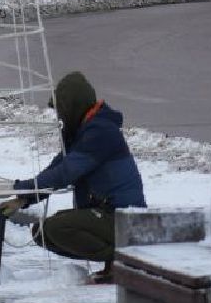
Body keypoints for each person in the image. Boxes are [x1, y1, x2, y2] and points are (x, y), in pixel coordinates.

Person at [7, 70, 146, 282]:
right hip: (108, 215)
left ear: (73, 106)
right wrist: (24, 197)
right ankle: (114, 263)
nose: (60, 117)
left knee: (58, 227)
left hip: (124, 219)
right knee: (41, 232)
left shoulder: (100, 132)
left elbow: (66, 172)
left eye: (61, 111)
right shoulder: (83, 131)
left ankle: (122, 260)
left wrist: (23, 189)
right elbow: (57, 167)